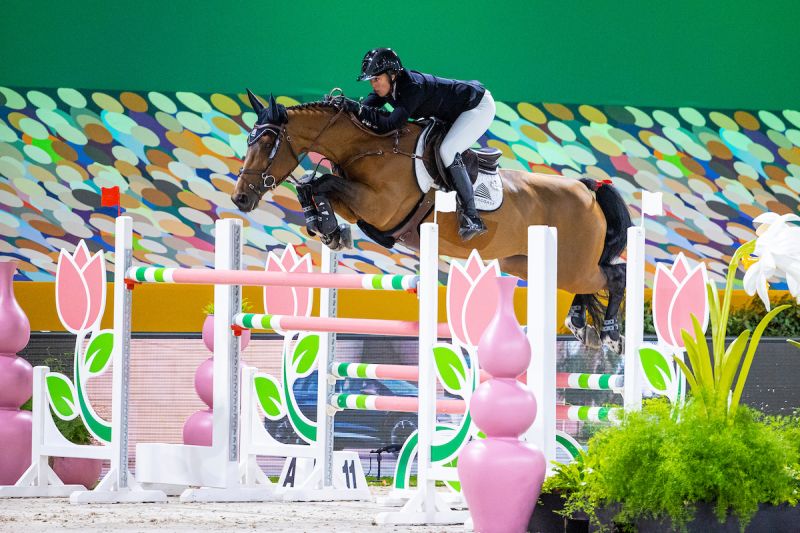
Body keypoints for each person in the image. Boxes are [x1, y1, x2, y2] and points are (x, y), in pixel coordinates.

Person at [342, 48, 495, 241]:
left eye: (376, 79)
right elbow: (365, 108)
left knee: (447, 150)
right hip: (452, 112)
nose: (374, 85)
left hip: (477, 107)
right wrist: (342, 105)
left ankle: (472, 216)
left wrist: (357, 109)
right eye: (371, 80)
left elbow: (390, 123)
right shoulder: (390, 84)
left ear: (392, 74)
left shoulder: (412, 87)